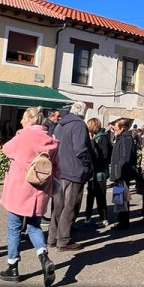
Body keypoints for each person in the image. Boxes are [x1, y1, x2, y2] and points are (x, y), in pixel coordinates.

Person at [0, 106, 58, 286]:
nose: (21, 121)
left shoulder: (22, 136)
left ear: (31, 120)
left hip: (20, 187)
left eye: (24, 118)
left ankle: (13, 266)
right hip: (40, 189)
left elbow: (6, 149)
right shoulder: (52, 140)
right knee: (34, 226)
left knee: (14, 227)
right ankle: (43, 256)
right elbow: (58, 167)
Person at [50, 101, 93, 251]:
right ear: (83, 112)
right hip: (74, 171)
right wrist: (88, 165)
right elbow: (81, 149)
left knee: (58, 206)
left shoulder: (60, 125)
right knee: (70, 206)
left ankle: (53, 238)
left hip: (60, 170)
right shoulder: (79, 125)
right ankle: (63, 240)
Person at [108, 118, 144, 230]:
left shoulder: (126, 139)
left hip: (122, 173)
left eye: (116, 128)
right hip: (119, 172)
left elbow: (125, 158)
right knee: (119, 197)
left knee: (122, 197)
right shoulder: (122, 137)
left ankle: (123, 222)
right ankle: (121, 220)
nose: (114, 130)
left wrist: (119, 173)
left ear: (122, 128)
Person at [83, 117, 110, 227]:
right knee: (90, 195)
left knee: (100, 195)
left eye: (89, 125)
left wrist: (93, 143)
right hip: (93, 171)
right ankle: (88, 216)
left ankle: (104, 218)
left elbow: (104, 155)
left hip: (100, 172)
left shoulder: (102, 138)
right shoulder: (95, 137)